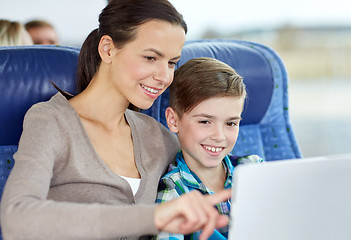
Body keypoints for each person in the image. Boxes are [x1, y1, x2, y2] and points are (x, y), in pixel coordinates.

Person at [0, 1, 231, 240]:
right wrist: (153, 217)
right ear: (108, 49)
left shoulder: (158, 136)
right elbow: (16, 218)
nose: (164, 77)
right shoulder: (51, 121)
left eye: (172, 63)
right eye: (151, 57)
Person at [154, 57, 264, 240]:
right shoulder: (174, 188)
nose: (219, 136)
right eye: (205, 121)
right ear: (173, 121)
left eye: (231, 123)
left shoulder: (253, 168)